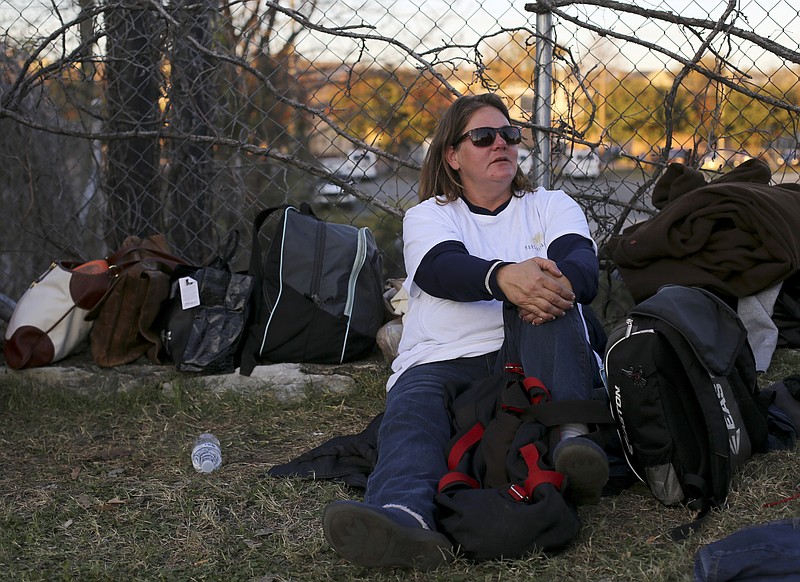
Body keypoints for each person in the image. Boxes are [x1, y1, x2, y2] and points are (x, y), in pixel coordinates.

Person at [322, 93, 608, 570]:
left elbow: (583, 266)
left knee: (545, 300)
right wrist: (503, 277)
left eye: (510, 134)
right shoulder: (430, 215)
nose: (501, 143)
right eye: (483, 136)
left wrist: (535, 285)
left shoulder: (549, 205)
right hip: (441, 356)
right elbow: (439, 268)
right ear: (453, 156)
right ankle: (403, 517)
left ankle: (572, 442)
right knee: (413, 410)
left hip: (529, 350)